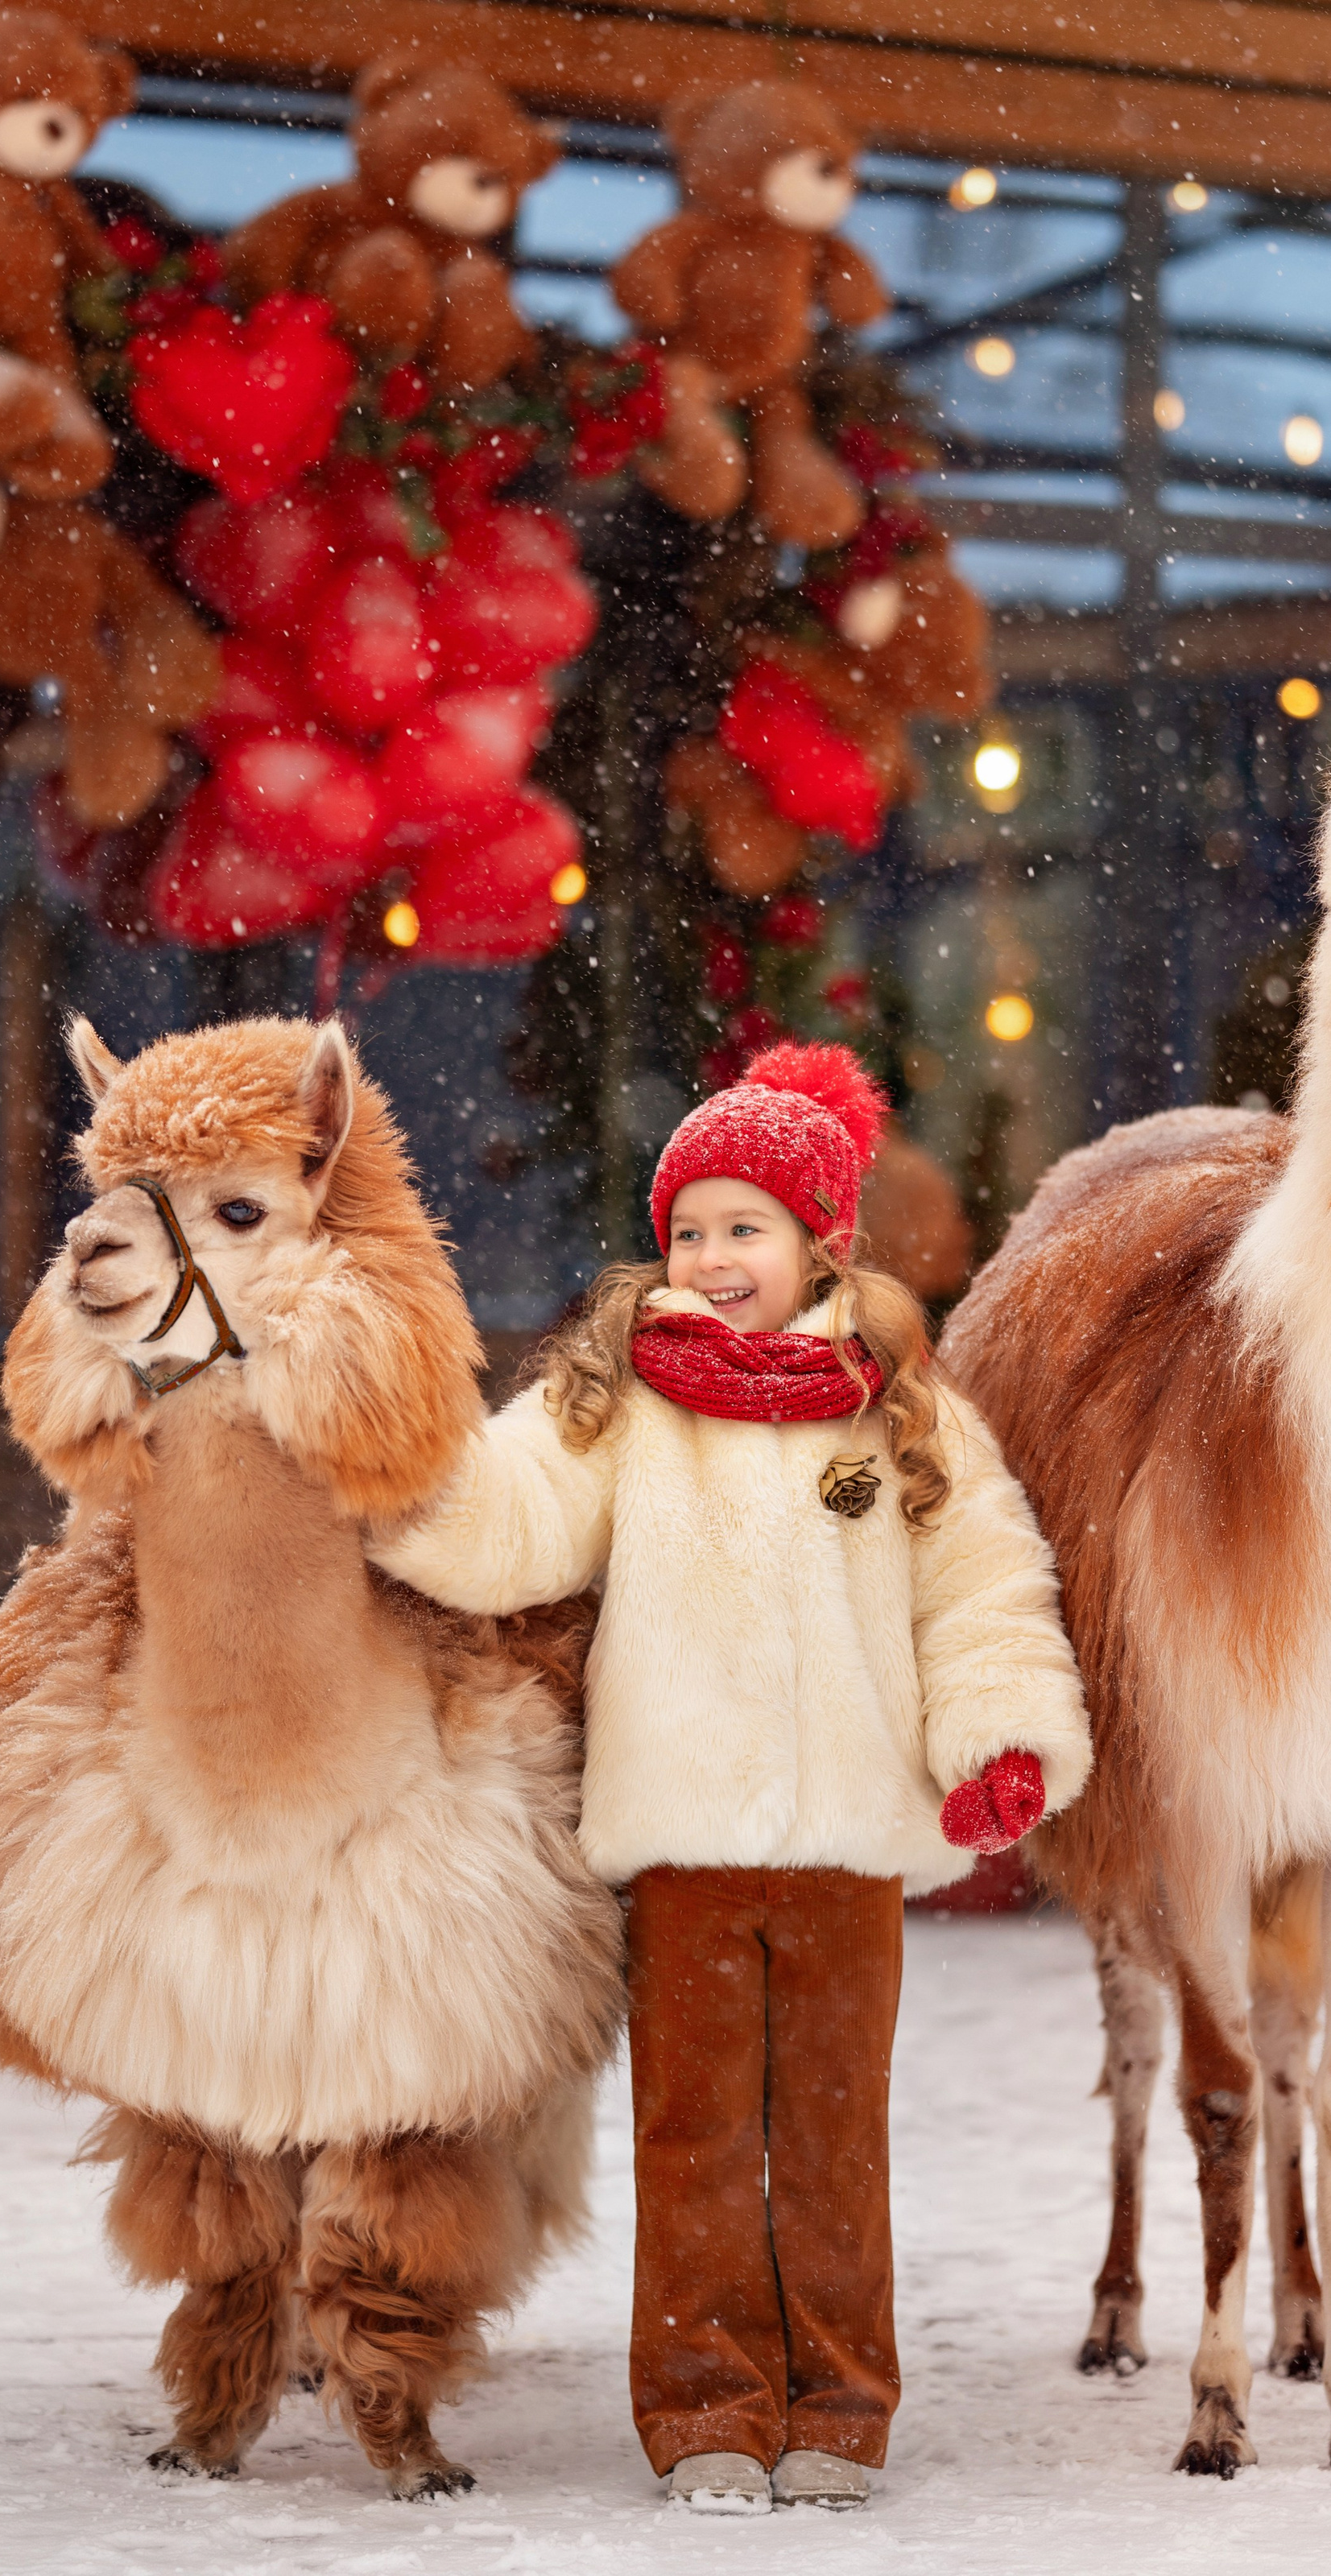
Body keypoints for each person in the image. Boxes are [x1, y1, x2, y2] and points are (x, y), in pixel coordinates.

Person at [374, 1042, 1090, 2515]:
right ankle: (704, 2404)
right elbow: (511, 1518)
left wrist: (1000, 1740)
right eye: (687, 1231)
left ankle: (838, 2405)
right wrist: (396, 1472)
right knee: (694, 2136)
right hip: (686, 1842)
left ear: (820, 1242)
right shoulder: (623, 1401)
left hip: (847, 1844)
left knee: (833, 2138)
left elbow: (982, 1587)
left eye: (743, 1229)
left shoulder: (901, 1408)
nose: (709, 1259)